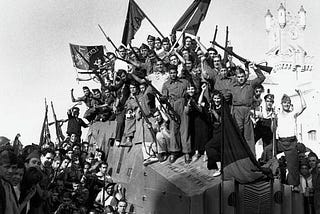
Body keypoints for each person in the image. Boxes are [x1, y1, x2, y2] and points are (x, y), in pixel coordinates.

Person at [229, 63, 266, 155]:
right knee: (238, 132)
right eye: (238, 77)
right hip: (237, 111)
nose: (240, 78)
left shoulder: (250, 84)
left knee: (248, 135)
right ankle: (237, 154)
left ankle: (251, 156)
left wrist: (255, 68)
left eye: (242, 76)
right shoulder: (233, 86)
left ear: (245, 76)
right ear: (236, 77)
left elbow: (261, 78)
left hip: (247, 110)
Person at [276, 89, 306, 190]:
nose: (286, 105)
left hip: (291, 142)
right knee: (268, 150)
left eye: (288, 103)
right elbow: (273, 127)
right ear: (281, 103)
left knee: (293, 166)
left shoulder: (293, 114)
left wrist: (300, 94)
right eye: (284, 103)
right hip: (280, 142)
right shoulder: (278, 115)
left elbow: (304, 106)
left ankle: (294, 187)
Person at [161, 64, 189, 163]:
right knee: (173, 129)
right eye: (171, 73)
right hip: (172, 106)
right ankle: (174, 151)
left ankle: (186, 152)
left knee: (185, 129)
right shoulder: (166, 84)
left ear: (177, 72)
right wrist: (163, 99)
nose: (173, 74)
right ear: (169, 73)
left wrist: (187, 105)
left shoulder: (184, 82)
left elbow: (189, 94)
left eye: (174, 72)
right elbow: (164, 96)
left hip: (183, 104)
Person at [205, 90, 223, 176]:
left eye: (218, 98)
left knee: (209, 146)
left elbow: (221, 120)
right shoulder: (212, 106)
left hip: (221, 131)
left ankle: (220, 167)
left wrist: (213, 112)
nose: (216, 100)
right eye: (215, 98)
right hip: (214, 130)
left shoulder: (223, 108)